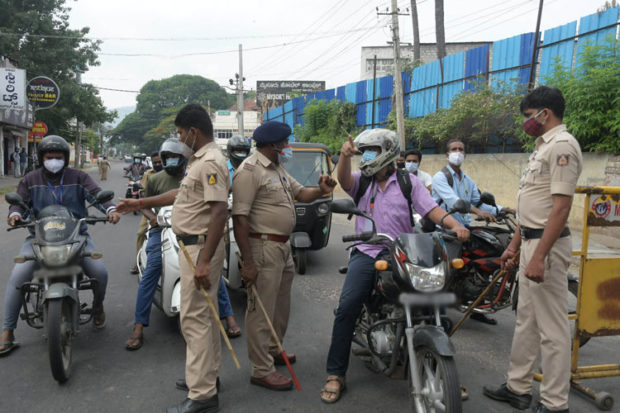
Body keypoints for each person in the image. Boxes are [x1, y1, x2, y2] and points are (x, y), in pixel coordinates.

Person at [320, 129, 469, 404]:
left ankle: (441, 370)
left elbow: (430, 210)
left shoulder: (407, 181)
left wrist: (455, 225)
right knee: (347, 307)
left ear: (387, 151)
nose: (367, 157)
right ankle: (335, 374)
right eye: (365, 151)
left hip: (402, 252)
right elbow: (343, 180)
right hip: (367, 251)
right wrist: (344, 155)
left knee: (433, 302)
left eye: (372, 151)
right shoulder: (362, 182)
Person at [116, 104, 228, 413]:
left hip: (198, 249)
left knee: (195, 320)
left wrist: (204, 261)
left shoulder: (211, 162)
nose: (179, 139)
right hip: (191, 246)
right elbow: (181, 195)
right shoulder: (199, 161)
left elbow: (219, 211)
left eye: (180, 133)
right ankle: (207, 378)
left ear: (193, 132)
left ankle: (203, 395)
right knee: (205, 317)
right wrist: (139, 202)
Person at [483, 86, 582, 413]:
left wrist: (538, 255)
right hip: (530, 241)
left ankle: (555, 404)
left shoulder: (562, 146)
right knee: (526, 321)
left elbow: (560, 209)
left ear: (545, 113)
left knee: (552, 329)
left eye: (528, 116)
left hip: (547, 246)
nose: (526, 123)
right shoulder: (542, 147)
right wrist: (515, 245)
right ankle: (518, 387)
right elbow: (533, 206)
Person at [232, 121, 337, 391]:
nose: (288, 147)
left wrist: (322, 189)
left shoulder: (277, 168)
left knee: (280, 306)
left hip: (282, 247)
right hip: (262, 247)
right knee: (261, 310)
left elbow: (302, 193)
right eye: (286, 143)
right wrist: (249, 262)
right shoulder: (249, 171)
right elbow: (240, 218)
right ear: (273, 145)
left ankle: (273, 348)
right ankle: (261, 369)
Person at [0, 135, 121, 356]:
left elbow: (97, 196)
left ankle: (98, 305)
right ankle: (7, 331)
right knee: (18, 276)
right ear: (41, 158)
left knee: (99, 272)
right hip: (39, 239)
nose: (54, 161)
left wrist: (111, 210)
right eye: (49, 157)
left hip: (77, 237)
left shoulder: (79, 177)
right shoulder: (30, 179)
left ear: (65, 158)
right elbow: (19, 203)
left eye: (58, 157)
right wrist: (15, 215)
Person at [431, 139, 515, 324]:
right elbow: (455, 202)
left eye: (461, 149)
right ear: (447, 154)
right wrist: (479, 212)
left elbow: (479, 202)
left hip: (465, 229)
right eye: (454, 149)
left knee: (485, 254)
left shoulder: (467, 180)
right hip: (445, 231)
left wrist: (503, 210)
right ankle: (438, 316)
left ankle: (476, 304)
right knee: (449, 270)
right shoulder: (440, 177)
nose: (458, 152)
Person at [125, 140, 191, 351]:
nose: (171, 160)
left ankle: (227, 316)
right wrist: (152, 218)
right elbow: (145, 204)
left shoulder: (191, 177)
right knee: (153, 267)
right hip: (161, 230)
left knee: (209, 266)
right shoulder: (154, 179)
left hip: (189, 229)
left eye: (175, 156)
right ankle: (138, 326)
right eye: (167, 157)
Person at [130, 152, 162, 275]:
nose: (158, 164)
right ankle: (138, 261)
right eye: (155, 163)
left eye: (160, 162)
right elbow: (143, 192)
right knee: (141, 233)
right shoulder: (148, 174)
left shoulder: (171, 173)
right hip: (151, 209)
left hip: (168, 209)